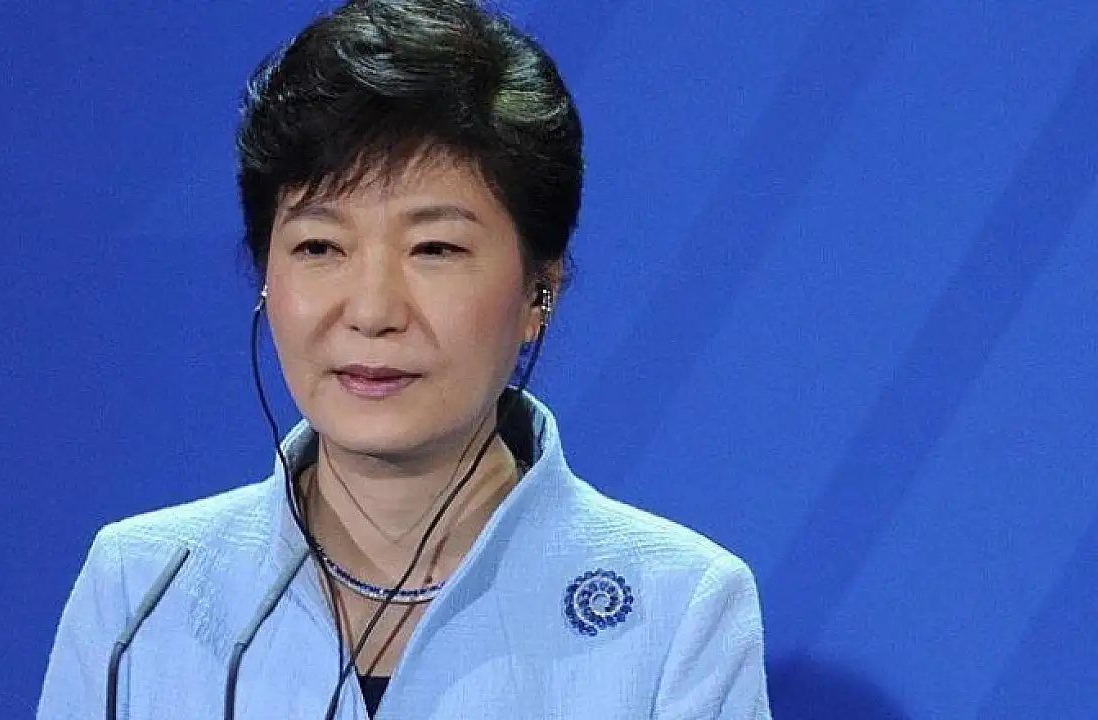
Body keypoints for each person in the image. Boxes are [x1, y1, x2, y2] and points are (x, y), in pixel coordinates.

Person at [37, 0, 771, 718]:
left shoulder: (677, 612)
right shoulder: (142, 592)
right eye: (319, 246)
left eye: (435, 249)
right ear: (265, 274)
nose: (372, 311)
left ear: (538, 292)